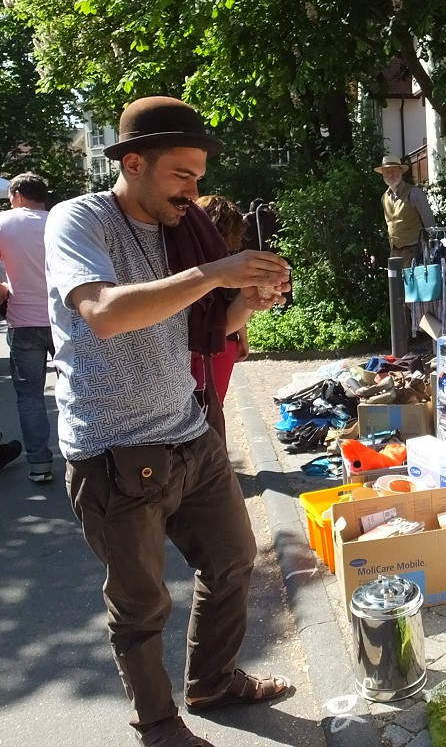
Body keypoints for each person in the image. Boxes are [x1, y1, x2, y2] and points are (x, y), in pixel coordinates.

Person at [45, 96, 293, 747]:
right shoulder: (79, 221)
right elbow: (103, 312)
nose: (195, 189)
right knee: (141, 606)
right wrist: (213, 273)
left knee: (236, 558)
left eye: (199, 174)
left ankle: (211, 680)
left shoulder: (181, 232)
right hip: (114, 451)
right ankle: (158, 727)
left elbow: (201, 327)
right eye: (182, 174)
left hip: (186, 431)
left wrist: (247, 301)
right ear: (133, 163)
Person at [0, 172, 54, 479]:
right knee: (78, 388)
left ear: (18, 195)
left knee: (30, 396)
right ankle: (86, 461)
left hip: (23, 324)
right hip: (65, 320)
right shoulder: (61, 220)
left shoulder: (3, 223)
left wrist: (5, 291)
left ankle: (39, 465)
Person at [193, 195, 249, 405]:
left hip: (188, 341)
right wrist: (242, 337)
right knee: (212, 408)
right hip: (222, 343)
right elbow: (238, 298)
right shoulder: (232, 261)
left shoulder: (184, 255)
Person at [377, 154, 433, 267]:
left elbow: (430, 225)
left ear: (401, 171)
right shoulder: (384, 198)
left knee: (413, 284)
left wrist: (430, 249)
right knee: (395, 284)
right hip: (394, 252)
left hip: (414, 250)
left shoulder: (414, 193)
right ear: (383, 174)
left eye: (393, 171)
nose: (390, 175)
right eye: (387, 172)